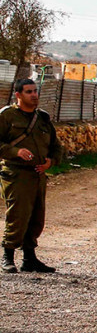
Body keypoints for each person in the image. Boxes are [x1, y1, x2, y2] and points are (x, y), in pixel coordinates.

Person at [0, 78, 63, 273]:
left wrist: (51, 162)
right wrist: (15, 152)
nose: (34, 95)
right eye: (29, 92)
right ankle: (7, 256)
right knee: (17, 216)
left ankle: (29, 258)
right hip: (16, 174)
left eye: (35, 91)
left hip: (38, 176)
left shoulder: (42, 118)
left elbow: (57, 146)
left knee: (37, 217)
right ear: (18, 95)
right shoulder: (7, 116)